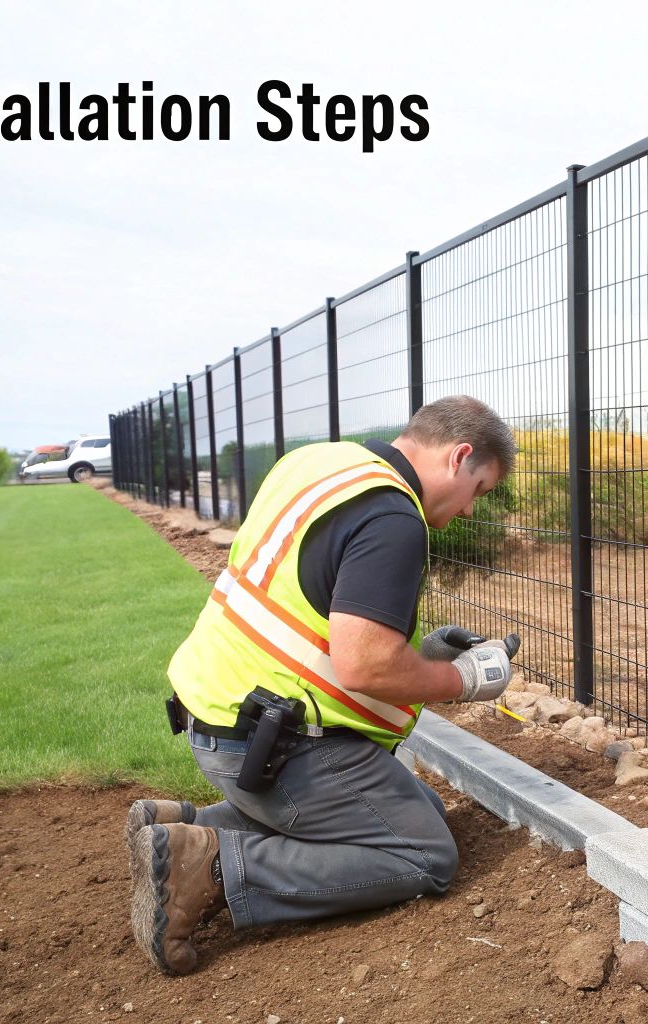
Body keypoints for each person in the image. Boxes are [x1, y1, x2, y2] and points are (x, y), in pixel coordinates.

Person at [125, 395, 521, 976]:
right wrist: (461, 679)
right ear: (459, 456)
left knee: (425, 805)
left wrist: (421, 654)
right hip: (271, 747)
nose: (468, 510)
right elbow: (364, 668)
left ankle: (177, 827)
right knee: (423, 852)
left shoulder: (320, 465)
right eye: (479, 488)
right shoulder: (394, 519)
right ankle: (207, 863)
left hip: (218, 717)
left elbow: (313, 615)